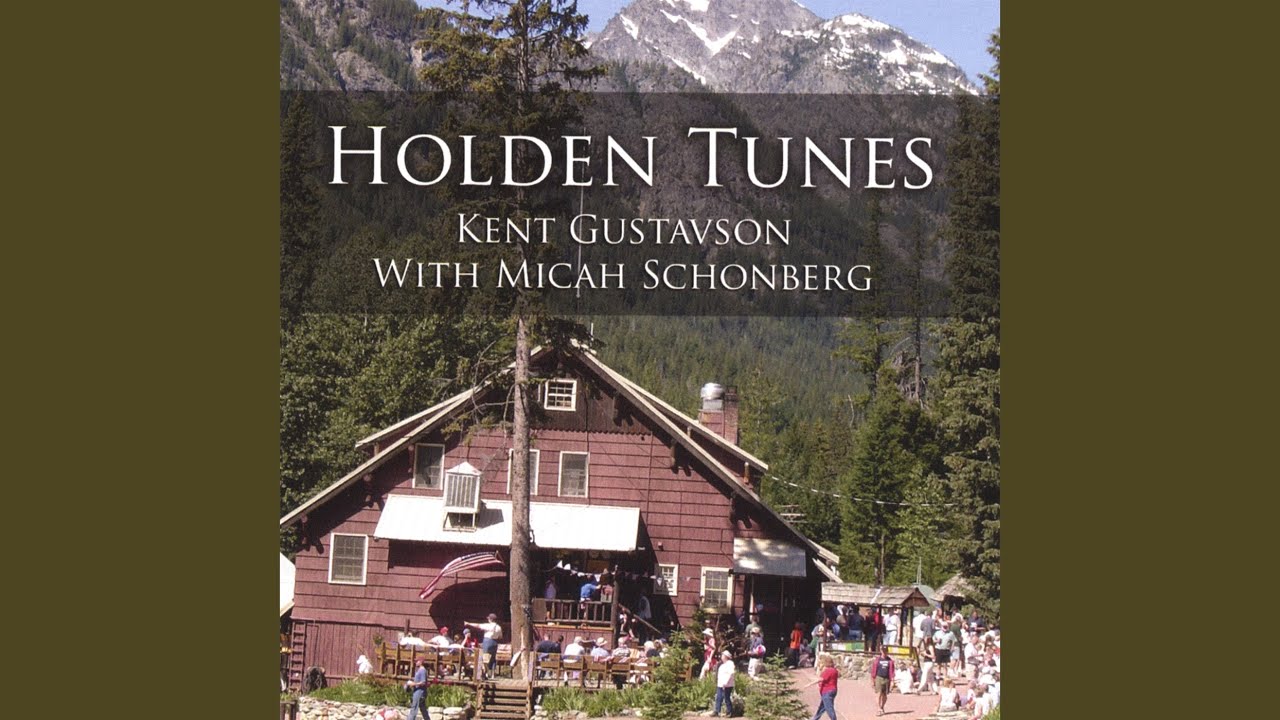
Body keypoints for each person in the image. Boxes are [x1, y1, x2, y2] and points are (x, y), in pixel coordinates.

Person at [802, 652, 838, 720]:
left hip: (827, 691)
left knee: (829, 708)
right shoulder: (834, 670)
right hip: (832, 690)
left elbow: (820, 679)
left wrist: (809, 684)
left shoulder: (828, 670)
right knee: (822, 707)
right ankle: (815, 718)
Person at [465, 613, 503, 678]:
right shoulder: (499, 627)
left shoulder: (488, 626)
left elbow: (478, 625)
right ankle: (493, 674)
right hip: (494, 642)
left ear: (490, 619)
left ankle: (485, 673)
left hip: (487, 641)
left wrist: (468, 623)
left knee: (485, 657)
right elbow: (500, 637)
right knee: (493, 658)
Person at [870, 645, 894, 716]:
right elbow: (874, 670)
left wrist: (892, 681)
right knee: (879, 694)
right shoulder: (877, 660)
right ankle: (878, 708)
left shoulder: (890, 661)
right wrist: (872, 680)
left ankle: (882, 706)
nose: (884, 652)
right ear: (881, 651)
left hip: (886, 679)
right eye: (883, 651)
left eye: (885, 651)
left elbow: (892, 671)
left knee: (884, 695)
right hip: (879, 678)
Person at [404, 656, 431, 720]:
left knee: (414, 708)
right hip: (417, 692)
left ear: (421, 662)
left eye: (417, 661)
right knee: (423, 709)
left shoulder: (422, 670)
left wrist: (413, 684)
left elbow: (423, 682)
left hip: (419, 693)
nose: (415, 662)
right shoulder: (419, 670)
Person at [713, 650, 736, 717]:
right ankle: (717, 711)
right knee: (718, 697)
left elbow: (730, 673)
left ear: (726, 657)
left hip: (727, 685)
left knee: (726, 698)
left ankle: (729, 712)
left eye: (722, 655)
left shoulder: (730, 664)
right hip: (720, 684)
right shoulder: (722, 664)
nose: (721, 656)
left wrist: (725, 683)